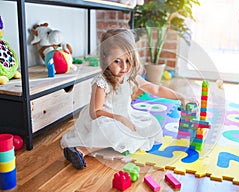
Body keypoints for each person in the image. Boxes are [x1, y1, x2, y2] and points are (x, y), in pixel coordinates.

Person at [60, 28, 198, 169]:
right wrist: (119, 118)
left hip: (125, 116)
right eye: (117, 61)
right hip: (103, 120)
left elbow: (155, 89)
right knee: (115, 132)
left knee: (150, 125)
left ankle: (86, 149)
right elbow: (95, 112)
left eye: (128, 60)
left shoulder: (129, 77)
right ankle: (80, 150)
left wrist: (181, 97)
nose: (124, 67)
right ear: (105, 59)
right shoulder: (101, 82)